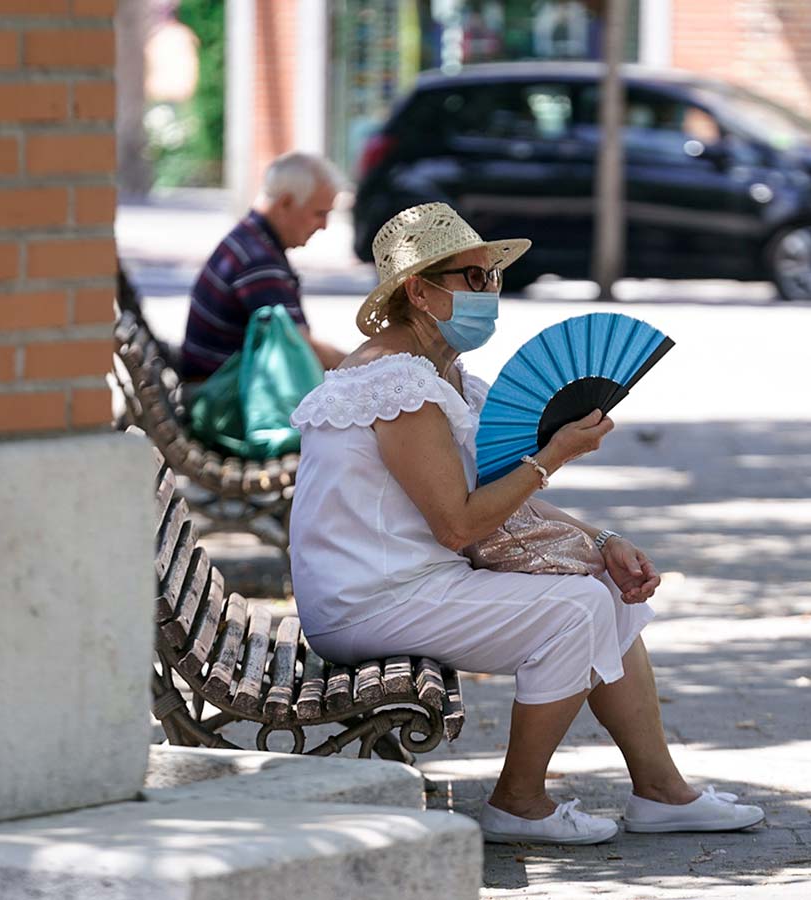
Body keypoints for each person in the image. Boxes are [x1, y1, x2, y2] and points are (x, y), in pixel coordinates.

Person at [287, 202, 764, 844]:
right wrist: (553, 456)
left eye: (494, 277)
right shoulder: (396, 385)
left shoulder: (444, 375)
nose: (490, 292)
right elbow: (459, 525)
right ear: (419, 292)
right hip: (368, 602)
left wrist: (601, 542)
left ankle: (661, 792)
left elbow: (498, 496)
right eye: (473, 278)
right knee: (576, 609)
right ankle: (518, 801)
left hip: (410, 584)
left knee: (606, 592)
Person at [179, 152, 346, 380]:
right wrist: (362, 364)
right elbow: (302, 350)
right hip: (222, 400)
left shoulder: (249, 239)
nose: (324, 226)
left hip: (218, 386)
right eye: (319, 214)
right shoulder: (257, 260)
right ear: (285, 203)